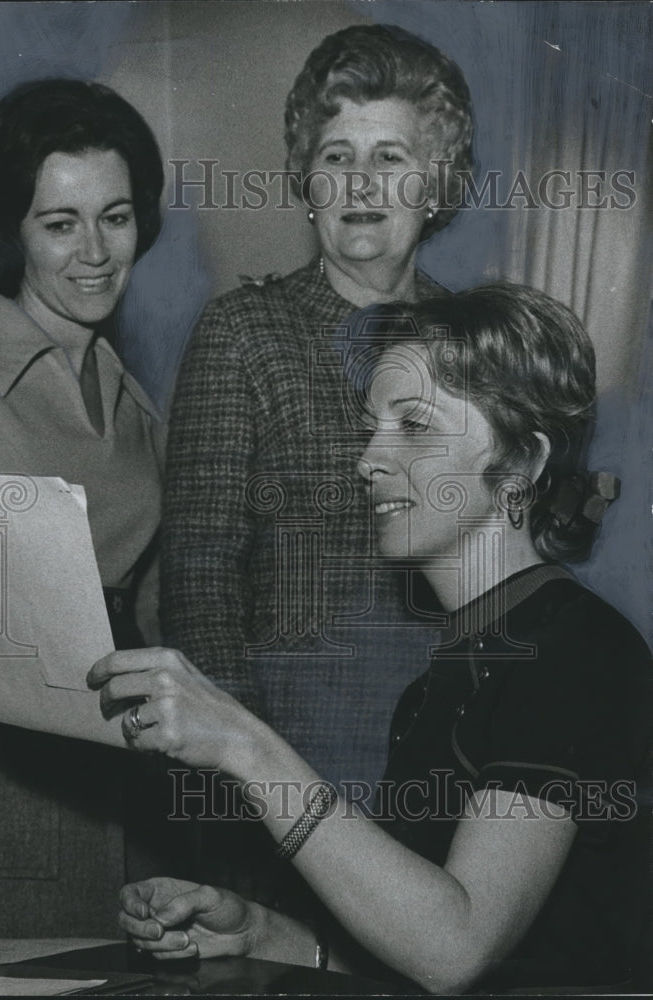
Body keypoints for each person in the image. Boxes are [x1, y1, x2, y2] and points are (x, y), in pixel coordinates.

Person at [90, 284, 653, 992]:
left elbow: (455, 948)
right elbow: (414, 940)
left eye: (414, 426)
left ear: (521, 464)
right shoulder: (443, 676)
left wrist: (245, 746)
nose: (367, 460)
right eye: (372, 427)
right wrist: (259, 931)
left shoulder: (579, 653)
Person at [161, 22, 475, 807]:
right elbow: (199, 580)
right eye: (337, 159)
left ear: (435, 186)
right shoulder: (243, 331)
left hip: (450, 749)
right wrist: (240, 774)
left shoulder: (474, 339)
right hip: (290, 754)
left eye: (389, 159)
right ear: (307, 183)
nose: (361, 186)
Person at [0, 79, 168, 937]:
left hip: (116, 762)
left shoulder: (135, 399)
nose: (93, 251)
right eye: (60, 223)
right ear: (12, 230)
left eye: (115, 218)